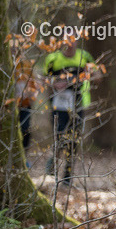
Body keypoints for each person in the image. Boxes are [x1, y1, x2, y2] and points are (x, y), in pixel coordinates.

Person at [41, 38, 97, 184]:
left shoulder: (84, 57)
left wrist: (88, 75)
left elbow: (99, 76)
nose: (70, 44)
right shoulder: (53, 59)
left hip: (78, 103)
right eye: (67, 40)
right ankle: (52, 166)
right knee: (59, 135)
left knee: (74, 138)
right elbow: (42, 79)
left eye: (73, 40)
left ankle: (68, 173)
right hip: (58, 104)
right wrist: (55, 83)